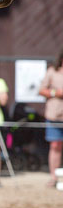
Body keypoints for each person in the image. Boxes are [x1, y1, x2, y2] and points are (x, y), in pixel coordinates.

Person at [38, 51, 63, 189]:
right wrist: (55, 93)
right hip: (54, 116)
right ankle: (53, 177)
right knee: (55, 146)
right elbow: (41, 90)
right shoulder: (52, 71)